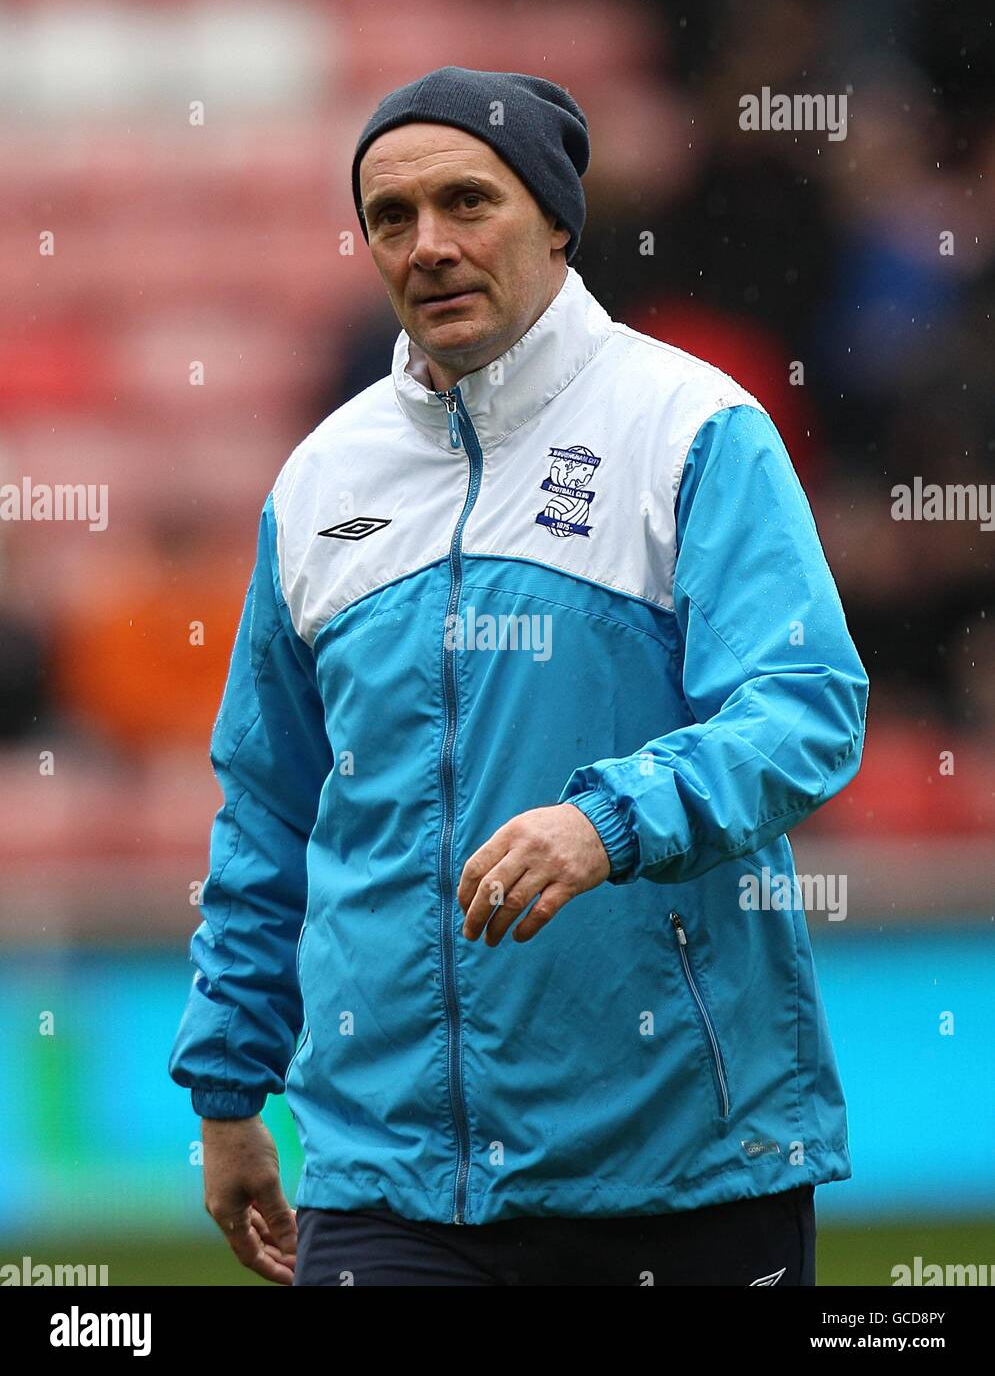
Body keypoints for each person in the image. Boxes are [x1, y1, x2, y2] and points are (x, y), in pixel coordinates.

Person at [168, 65, 869, 1287]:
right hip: (388, 1184)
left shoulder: (691, 428)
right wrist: (230, 1086)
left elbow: (804, 707)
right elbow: (269, 809)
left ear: (554, 219)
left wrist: (606, 823)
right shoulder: (320, 483)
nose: (428, 245)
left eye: (465, 202)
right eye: (392, 216)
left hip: (678, 1165)